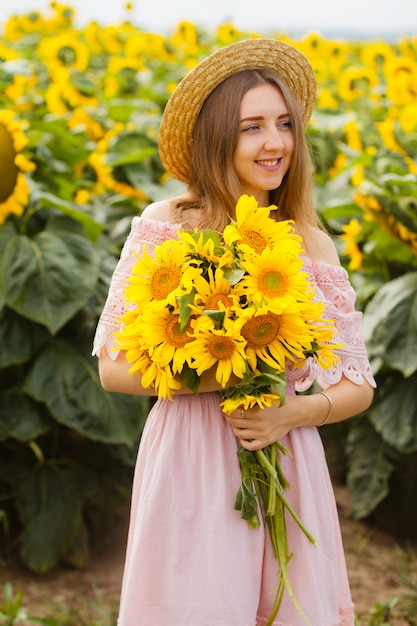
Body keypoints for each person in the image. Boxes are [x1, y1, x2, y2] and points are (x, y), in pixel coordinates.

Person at [93, 38, 376, 626]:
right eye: (252, 127)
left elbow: (358, 383)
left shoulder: (313, 244)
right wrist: (225, 365)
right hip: (190, 457)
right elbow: (112, 368)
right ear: (219, 137)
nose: (275, 143)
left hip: (287, 454)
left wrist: (289, 414)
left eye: (284, 125)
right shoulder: (166, 226)